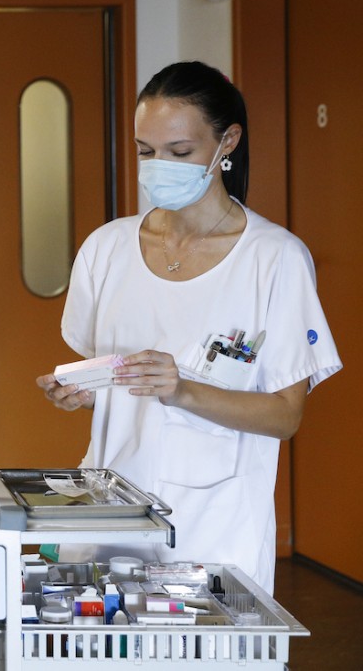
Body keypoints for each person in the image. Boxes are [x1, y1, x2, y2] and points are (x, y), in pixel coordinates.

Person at [37, 61, 342, 593]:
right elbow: (107, 381)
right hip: (111, 513)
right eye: (145, 152)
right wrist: (81, 392)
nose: (159, 167)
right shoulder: (106, 249)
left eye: (180, 153)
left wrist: (182, 390)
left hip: (217, 525)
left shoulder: (274, 260)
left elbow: (285, 416)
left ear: (227, 142)